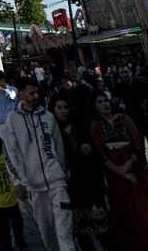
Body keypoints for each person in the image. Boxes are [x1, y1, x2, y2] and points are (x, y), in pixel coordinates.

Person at [4, 77, 75, 251]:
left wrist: (64, 172)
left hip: (57, 180)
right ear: (22, 94)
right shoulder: (13, 119)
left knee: (64, 228)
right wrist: (17, 181)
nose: (36, 95)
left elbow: (58, 146)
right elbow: (10, 152)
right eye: (31, 92)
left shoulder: (48, 117)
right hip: (34, 185)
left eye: (37, 92)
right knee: (46, 230)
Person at [48, 93, 113, 251]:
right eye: (60, 108)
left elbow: (94, 147)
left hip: (91, 180)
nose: (64, 111)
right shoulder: (52, 132)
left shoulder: (78, 125)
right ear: (53, 110)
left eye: (66, 107)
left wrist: (88, 148)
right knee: (82, 230)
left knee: (103, 227)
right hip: (73, 184)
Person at [90, 88, 148, 250]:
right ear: (95, 106)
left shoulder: (124, 119)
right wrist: (119, 171)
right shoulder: (96, 126)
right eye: (100, 102)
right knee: (124, 215)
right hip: (114, 175)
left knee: (142, 213)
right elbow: (100, 153)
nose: (104, 104)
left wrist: (127, 167)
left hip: (134, 169)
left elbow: (137, 143)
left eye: (105, 100)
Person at [0, 133, 26, 251]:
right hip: (12, 199)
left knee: (4, 229)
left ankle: (7, 247)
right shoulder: (6, 160)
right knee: (17, 223)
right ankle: (20, 242)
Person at [114, 62, 148, 139]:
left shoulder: (140, 85)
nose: (124, 74)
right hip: (130, 116)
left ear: (130, 72)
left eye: (126, 72)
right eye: (121, 73)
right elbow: (115, 102)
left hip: (143, 114)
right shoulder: (119, 87)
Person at [0, 70, 18, 136]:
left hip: (13, 124)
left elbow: (12, 95)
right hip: (1, 125)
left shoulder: (12, 89)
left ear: (3, 80)